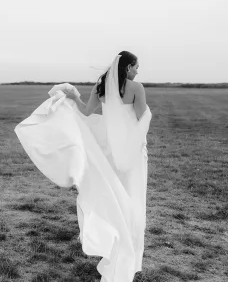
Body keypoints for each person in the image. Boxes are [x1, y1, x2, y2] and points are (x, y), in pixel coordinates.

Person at [15, 51, 152, 282]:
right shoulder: (137, 88)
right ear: (128, 67)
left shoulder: (101, 85)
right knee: (131, 194)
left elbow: (86, 111)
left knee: (113, 194)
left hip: (107, 149)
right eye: (136, 67)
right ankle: (126, 245)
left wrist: (74, 96)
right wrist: (141, 142)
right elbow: (140, 120)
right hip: (130, 150)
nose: (138, 71)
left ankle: (114, 239)